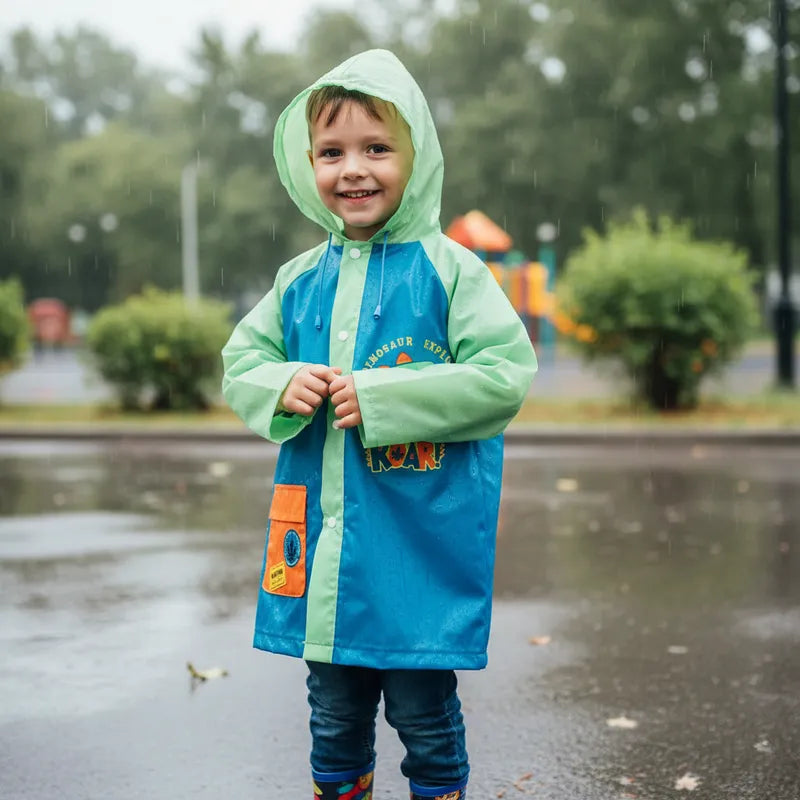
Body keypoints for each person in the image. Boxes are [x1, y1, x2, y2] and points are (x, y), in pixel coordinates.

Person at [221, 49, 537, 800]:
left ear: (415, 156)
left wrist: (386, 399)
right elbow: (241, 360)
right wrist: (280, 382)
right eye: (331, 152)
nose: (353, 169)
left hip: (417, 547)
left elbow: (504, 373)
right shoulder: (300, 279)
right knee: (332, 713)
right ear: (308, 164)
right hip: (322, 546)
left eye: (377, 148)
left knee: (424, 713)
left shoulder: (451, 271)